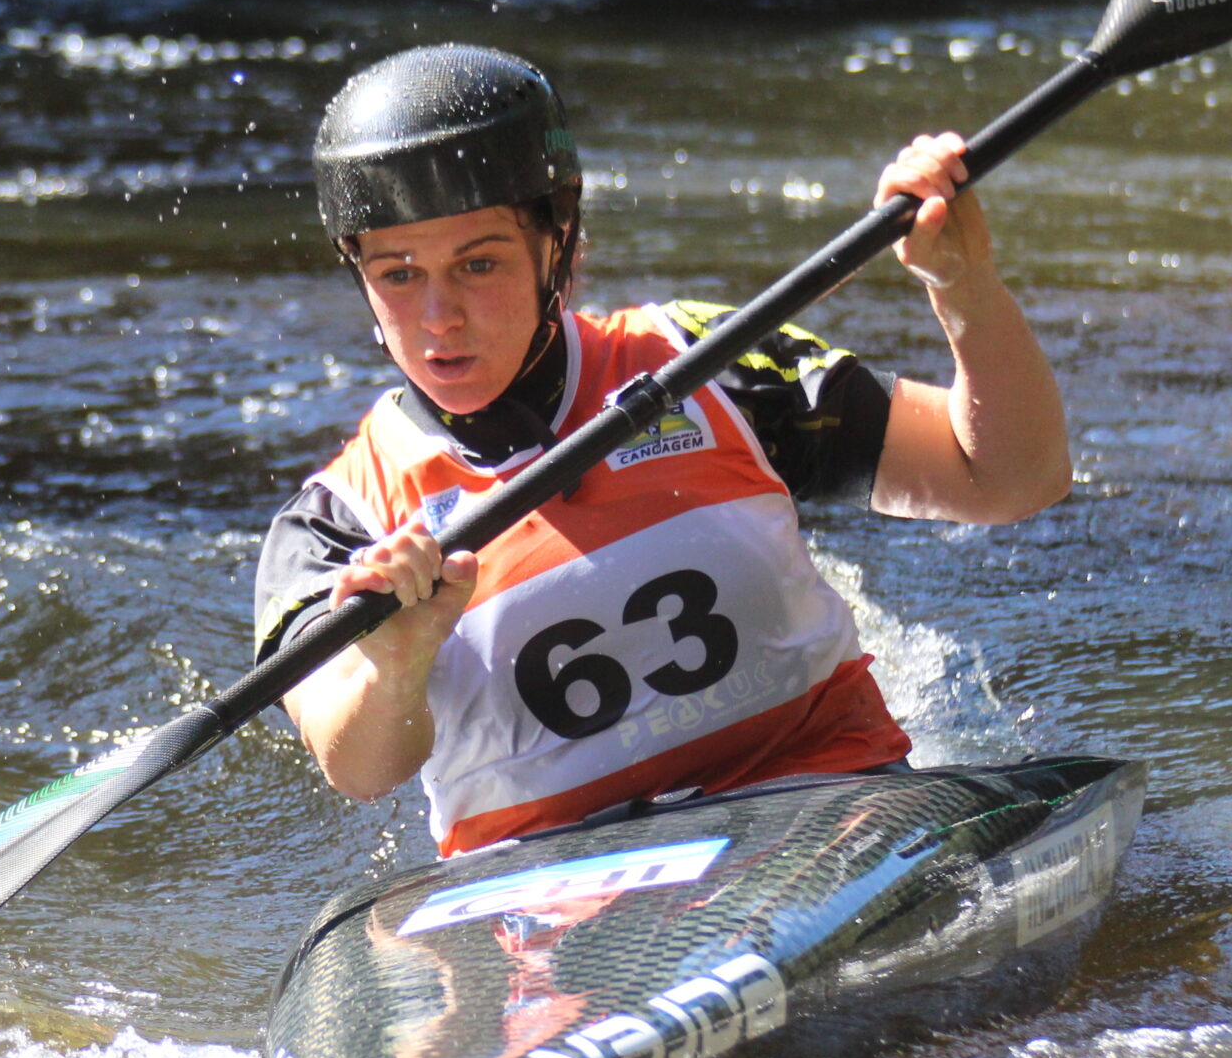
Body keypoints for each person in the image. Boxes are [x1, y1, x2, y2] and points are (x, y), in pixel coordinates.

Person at [252, 44, 1069, 857]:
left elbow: (1009, 477)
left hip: (827, 811)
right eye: (398, 274)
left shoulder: (705, 361)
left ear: (558, 242)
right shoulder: (336, 523)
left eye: (479, 263)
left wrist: (963, 283)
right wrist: (395, 664)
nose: (439, 316)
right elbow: (357, 768)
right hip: (553, 884)